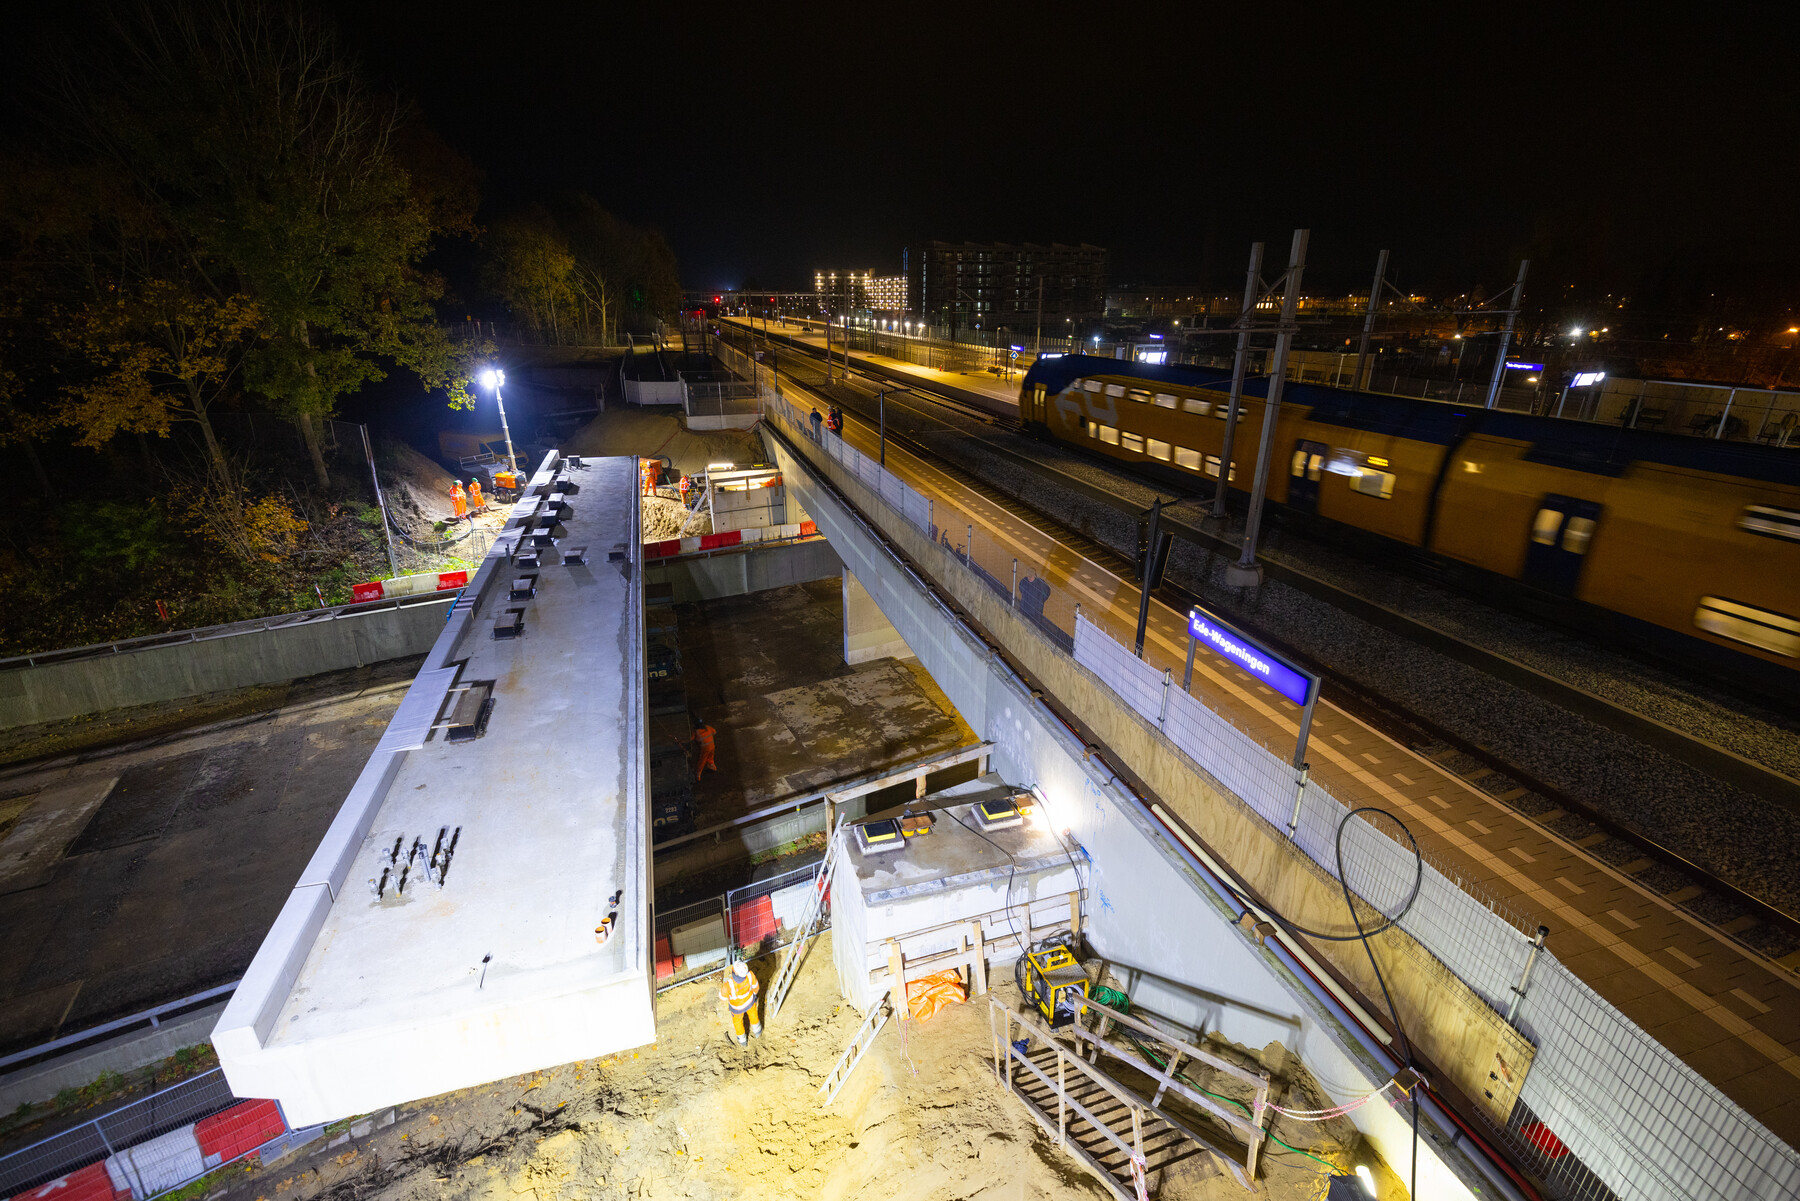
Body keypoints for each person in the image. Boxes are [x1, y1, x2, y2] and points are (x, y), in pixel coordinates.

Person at [719, 959, 762, 1044]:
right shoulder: (750, 975)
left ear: (736, 973)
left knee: (738, 1023)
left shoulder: (728, 984)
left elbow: (722, 998)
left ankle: (743, 1041)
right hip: (750, 1002)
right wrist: (754, 994)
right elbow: (756, 987)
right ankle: (758, 1031)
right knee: (753, 1016)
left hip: (737, 1008)